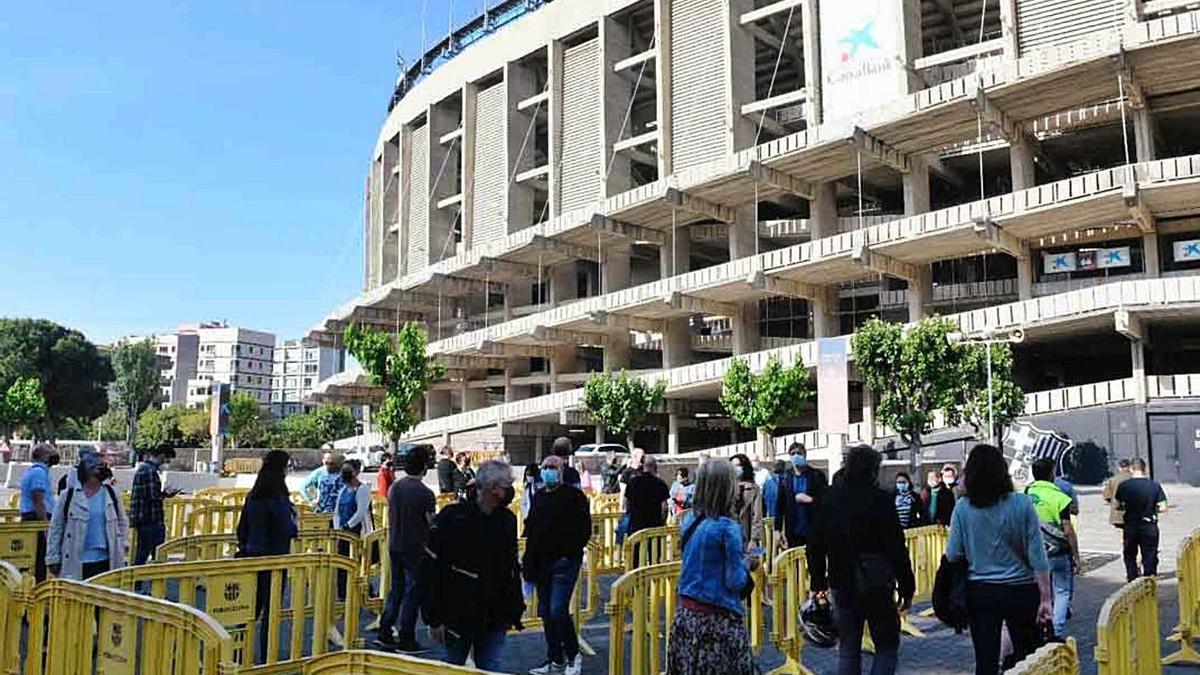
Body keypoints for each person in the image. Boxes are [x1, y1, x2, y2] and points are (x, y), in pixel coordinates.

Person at [807, 445, 915, 675]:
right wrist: (907, 585)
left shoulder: (827, 498)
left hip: (841, 579)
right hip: (878, 580)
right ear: (874, 470)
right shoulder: (882, 500)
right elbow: (896, 547)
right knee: (886, 645)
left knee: (848, 647)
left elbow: (814, 545)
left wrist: (817, 583)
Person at [945, 445, 1052, 675]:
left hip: (981, 592)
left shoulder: (963, 508)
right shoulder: (1023, 504)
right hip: (1022, 591)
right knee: (1029, 659)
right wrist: (1046, 598)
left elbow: (953, 553)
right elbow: (1038, 556)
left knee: (986, 660)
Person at [423, 459, 525, 671]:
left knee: (491, 667)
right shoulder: (452, 518)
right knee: (452, 667)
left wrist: (514, 608)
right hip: (457, 613)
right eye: (507, 484)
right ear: (492, 488)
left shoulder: (506, 520)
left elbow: (510, 567)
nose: (510, 490)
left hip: (496, 613)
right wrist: (434, 618)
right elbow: (433, 569)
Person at [666, 458, 758, 675]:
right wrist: (747, 564)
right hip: (718, 623)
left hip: (685, 618)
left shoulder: (689, 520)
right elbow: (735, 581)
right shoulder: (728, 528)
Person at [523, 456, 591, 675]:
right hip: (542, 563)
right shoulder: (540, 496)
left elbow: (584, 529)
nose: (549, 471)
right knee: (545, 612)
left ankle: (573, 654)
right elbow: (532, 530)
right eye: (545, 468)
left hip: (564, 562)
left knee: (558, 610)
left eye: (553, 467)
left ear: (562, 470)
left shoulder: (574, 496)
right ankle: (556, 658)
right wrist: (528, 564)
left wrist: (570, 552)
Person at [236, 450, 299, 664]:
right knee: (271, 611)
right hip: (275, 558)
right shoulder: (278, 499)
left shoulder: (253, 496)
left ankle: (238, 653)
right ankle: (267, 657)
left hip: (251, 556)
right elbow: (286, 528)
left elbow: (241, 528)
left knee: (247, 609)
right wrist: (294, 523)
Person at [377, 445, 436, 654]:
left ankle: (385, 631)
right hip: (415, 547)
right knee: (413, 593)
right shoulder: (425, 493)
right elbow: (430, 522)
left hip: (395, 544)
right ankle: (406, 638)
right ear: (424, 468)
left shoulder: (395, 487)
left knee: (396, 589)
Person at [46, 449, 129, 580]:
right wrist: (52, 557)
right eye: (95, 466)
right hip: (76, 559)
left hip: (106, 561)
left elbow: (122, 522)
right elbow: (56, 527)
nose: (99, 470)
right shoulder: (68, 496)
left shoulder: (111, 494)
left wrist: (123, 545)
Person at [1025, 458, 1079, 641]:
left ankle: (1039, 625)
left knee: (1039, 590)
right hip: (1058, 552)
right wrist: (1076, 556)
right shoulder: (1060, 498)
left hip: (1034, 552)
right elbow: (1068, 530)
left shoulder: (1025, 494)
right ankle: (1056, 631)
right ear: (1052, 474)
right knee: (1062, 591)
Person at [1114, 458, 1168, 581]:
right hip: (1149, 525)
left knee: (1130, 554)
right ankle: (1150, 579)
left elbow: (1118, 505)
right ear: (1145, 469)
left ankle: (1132, 579)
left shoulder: (1124, 486)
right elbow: (1163, 507)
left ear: (1131, 469)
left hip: (1131, 525)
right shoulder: (1154, 485)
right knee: (1150, 554)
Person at [129, 447, 180, 565]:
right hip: (151, 519)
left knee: (141, 553)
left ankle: (136, 582)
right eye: (167, 460)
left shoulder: (143, 469)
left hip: (142, 519)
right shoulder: (150, 471)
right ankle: (149, 581)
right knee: (156, 554)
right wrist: (166, 494)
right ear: (161, 456)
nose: (166, 464)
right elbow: (153, 496)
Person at [333, 459, 374, 599]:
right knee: (342, 565)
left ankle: (366, 592)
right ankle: (343, 596)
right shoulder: (343, 490)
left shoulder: (362, 490)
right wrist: (338, 527)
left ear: (356, 472)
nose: (345, 473)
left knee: (358, 564)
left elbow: (361, 512)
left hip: (356, 532)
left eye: (348, 470)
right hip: (342, 533)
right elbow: (337, 511)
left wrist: (347, 526)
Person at [775, 442, 828, 548]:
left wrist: (811, 500)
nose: (796, 456)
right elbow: (779, 505)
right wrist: (778, 530)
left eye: (799, 453)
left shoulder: (817, 475)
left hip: (813, 528)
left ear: (805, 455)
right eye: (793, 454)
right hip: (792, 530)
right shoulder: (785, 478)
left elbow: (826, 500)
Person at [19, 443, 56, 581]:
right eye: (51, 453)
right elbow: (38, 501)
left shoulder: (36, 471)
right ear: (44, 456)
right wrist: (45, 525)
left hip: (35, 517)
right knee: (38, 557)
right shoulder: (39, 473)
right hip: (36, 519)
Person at [625, 455, 669, 536]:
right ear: (655, 467)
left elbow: (627, 503)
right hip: (654, 527)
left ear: (643, 466)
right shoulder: (660, 484)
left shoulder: (633, 482)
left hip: (636, 527)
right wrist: (662, 522)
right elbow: (664, 507)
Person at [730, 454, 764, 552]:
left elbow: (757, 516)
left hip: (746, 536)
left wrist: (754, 539)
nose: (735, 469)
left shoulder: (754, 489)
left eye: (738, 465)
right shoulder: (725, 488)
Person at [1102, 458, 1132, 528]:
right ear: (1129, 467)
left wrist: (1113, 501)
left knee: (1121, 533)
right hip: (1133, 513)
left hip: (1117, 514)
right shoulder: (1134, 479)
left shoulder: (1113, 480)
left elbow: (1106, 496)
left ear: (1119, 468)